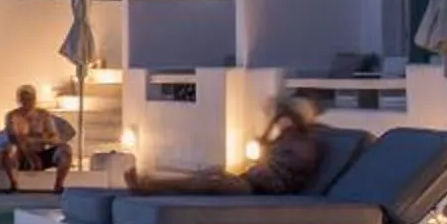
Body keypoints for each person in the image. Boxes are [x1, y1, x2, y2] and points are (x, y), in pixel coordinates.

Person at [130, 92, 324, 195]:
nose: (281, 118)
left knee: (209, 183)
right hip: (249, 181)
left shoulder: (304, 146)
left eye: (286, 115)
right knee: (210, 173)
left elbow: (283, 174)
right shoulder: (282, 139)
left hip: (258, 191)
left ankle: (151, 187)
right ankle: (152, 186)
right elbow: (265, 151)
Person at [0, 84, 73, 193]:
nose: (27, 102)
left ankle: (58, 185)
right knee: (10, 149)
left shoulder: (44, 115)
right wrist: (30, 154)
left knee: (66, 149)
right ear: (19, 100)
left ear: (34, 99)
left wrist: (35, 140)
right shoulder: (13, 116)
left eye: (30, 99)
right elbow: (14, 138)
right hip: (21, 155)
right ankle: (13, 184)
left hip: (41, 153)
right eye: (24, 99)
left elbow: (54, 138)